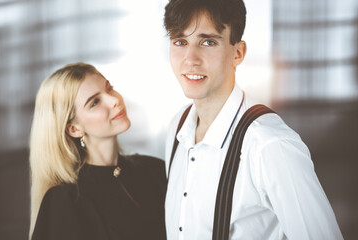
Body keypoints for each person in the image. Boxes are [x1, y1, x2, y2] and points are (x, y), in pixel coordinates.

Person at [163, 0, 343, 239]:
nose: (190, 59)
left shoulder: (269, 145)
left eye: (208, 42)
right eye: (180, 42)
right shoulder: (177, 128)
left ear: (238, 53)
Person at [29, 62, 166, 240]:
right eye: (95, 102)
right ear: (74, 129)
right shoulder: (65, 200)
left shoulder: (154, 170)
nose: (114, 100)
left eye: (109, 89)